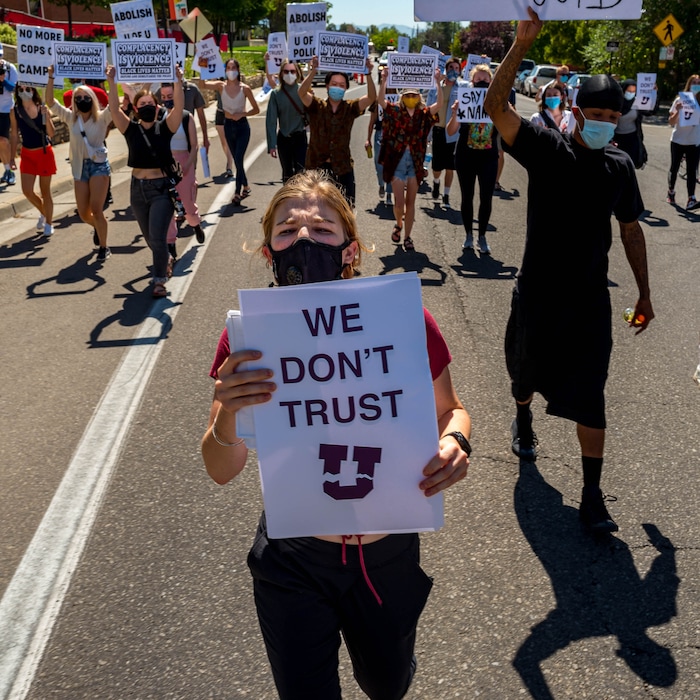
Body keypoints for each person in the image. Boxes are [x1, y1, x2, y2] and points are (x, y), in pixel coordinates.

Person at [201, 169, 471, 700]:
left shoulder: (405, 320)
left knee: (387, 683)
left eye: (322, 229)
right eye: (287, 230)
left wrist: (456, 443)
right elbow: (220, 467)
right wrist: (227, 415)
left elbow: (452, 411)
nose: (303, 238)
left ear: (350, 250)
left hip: (387, 551)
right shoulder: (247, 339)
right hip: (294, 559)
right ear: (267, 251)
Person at [484, 7, 654, 533]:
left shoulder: (619, 167)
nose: (604, 124)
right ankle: (524, 418)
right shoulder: (546, 150)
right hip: (538, 295)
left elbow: (630, 229)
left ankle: (592, 497)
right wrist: (520, 44)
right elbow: (494, 105)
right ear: (575, 114)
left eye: (612, 117)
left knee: (591, 393)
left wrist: (645, 293)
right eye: (595, 115)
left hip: (588, 304)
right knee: (524, 377)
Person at [107, 64, 184, 298]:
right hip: (137, 190)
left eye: (151, 103)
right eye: (143, 105)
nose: (148, 107)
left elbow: (179, 107)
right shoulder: (129, 129)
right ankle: (165, 258)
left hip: (161, 189)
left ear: (157, 107)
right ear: (136, 109)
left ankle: (159, 281)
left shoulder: (166, 127)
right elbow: (112, 108)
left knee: (158, 237)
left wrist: (179, 80)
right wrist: (111, 81)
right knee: (150, 237)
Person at [46, 67, 113, 260]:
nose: (82, 101)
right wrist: (51, 77)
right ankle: (98, 228)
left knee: (97, 208)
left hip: (99, 166)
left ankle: (104, 246)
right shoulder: (70, 118)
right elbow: (50, 102)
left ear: (92, 99)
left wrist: (111, 81)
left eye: (86, 98)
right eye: (78, 98)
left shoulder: (102, 118)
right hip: (79, 168)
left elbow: (115, 107)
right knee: (84, 213)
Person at [298, 55, 376, 207]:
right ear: (327, 86)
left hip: (343, 168)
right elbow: (301, 93)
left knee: (346, 209)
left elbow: (371, 97)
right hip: (316, 169)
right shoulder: (316, 106)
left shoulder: (350, 108)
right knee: (314, 210)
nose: (337, 88)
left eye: (341, 85)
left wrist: (368, 74)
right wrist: (313, 71)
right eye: (334, 84)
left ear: (346, 88)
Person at [378, 67, 442, 251]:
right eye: (408, 95)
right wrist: (384, 80)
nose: (411, 97)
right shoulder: (395, 111)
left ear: (419, 97)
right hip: (397, 162)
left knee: (410, 202)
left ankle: (407, 237)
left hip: (415, 163)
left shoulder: (424, 114)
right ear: (403, 97)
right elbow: (381, 101)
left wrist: (437, 82)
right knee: (399, 203)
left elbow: (439, 104)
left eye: (414, 95)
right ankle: (399, 223)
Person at [446, 64, 499, 255]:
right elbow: (450, 131)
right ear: (471, 82)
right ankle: (468, 234)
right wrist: (455, 114)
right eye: (478, 80)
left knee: (486, 197)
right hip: (465, 157)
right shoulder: (465, 101)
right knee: (467, 196)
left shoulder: (497, 104)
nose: (482, 83)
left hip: (488, 157)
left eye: (486, 80)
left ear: (491, 82)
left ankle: (482, 236)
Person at [203, 59, 260, 206]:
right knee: (237, 159)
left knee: (239, 158)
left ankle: (237, 192)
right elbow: (202, 85)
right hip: (228, 125)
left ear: (238, 69)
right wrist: (203, 65)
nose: (231, 70)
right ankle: (246, 186)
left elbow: (256, 109)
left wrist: (242, 114)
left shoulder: (245, 88)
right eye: (228, 67)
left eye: (234, 67)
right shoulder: (220, 86)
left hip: (242, 127)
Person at [159, 82, 205, 261]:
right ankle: (171, 243)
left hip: (184, 162)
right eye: (163, 97)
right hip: (165, 164)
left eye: (170, 97)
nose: (166, 101)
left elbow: (194, 145)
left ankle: (195, 224)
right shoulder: (159, 117)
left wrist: (187, 166)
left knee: (187, 202)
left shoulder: (186, 117)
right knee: (167, 204)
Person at [9, 82, 56, 237]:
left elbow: (51, 133)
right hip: (27, 154)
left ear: (33, 90)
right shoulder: (15, 111)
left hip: (44, 152)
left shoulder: (42, 108)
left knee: (45, 191)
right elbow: (14, 134)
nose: (24, 91)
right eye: (21, 89)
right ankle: (44, 212)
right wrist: (12, 157)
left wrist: (47, 116)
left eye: (27, 89)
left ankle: (49, 223)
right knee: (27, 191)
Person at [426, 56, 465, 208]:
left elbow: (479, 89)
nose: (453, 71)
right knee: (437, 166)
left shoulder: (463, 88)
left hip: (454, 132)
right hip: (437, 130)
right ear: (446, 69)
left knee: (451, 166)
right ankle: (436, 182)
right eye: (451, 68)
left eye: (457, 68)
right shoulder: (436, 87)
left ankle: (446, 195)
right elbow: (428, 109)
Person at [265, 59, 308, 183]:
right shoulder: (276, 94)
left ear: (297, 73)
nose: (289, 74)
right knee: (287, 174)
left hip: (300, 137)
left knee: (301, 173)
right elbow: (271, 121)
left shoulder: (304, 91)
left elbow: (312, 116)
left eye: (292, 71)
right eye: (286, 71)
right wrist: (272, 145)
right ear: (281, 74)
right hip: (284, 138)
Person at [666, 74, 700, 210]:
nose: (696, 85)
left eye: (699, 83)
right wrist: (678, 111)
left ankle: (691, 198)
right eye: (694, 82)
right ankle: (671, 191)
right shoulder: (680, 100)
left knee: (692, 171)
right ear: (689, 84)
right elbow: (670, 122)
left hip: (694, 141)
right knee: (674, 168)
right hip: (678, 140)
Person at [155, 78, 210, 154]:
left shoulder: (192, 89)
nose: (166, 99)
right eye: (164, 97)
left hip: (188, 133)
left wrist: (205, 137)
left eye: (170, 96)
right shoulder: (163, 89)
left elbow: (201, 115)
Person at [365, 79, 394, 207]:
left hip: (394, 137)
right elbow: (371, 122)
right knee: (379, 165)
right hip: (380, 135)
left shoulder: (399, 102)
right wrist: (368, 139)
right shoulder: (376, 103)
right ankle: (381, 184)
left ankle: (389, 193)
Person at [613, 79, 648, 171]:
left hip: (632, 138)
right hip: (617, 138)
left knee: (630, 166)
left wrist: (654, 92)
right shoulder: (616, 103)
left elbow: (650, 111)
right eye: (629, 91)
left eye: (633, 91)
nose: (631, 93)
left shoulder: (637, 102)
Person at [0, 48, 19, 184]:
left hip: (6, 109)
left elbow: (15, 88)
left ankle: (9, 170)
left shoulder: (9, 68)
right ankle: (6, 169)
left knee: (3, 140)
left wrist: (3, 81)